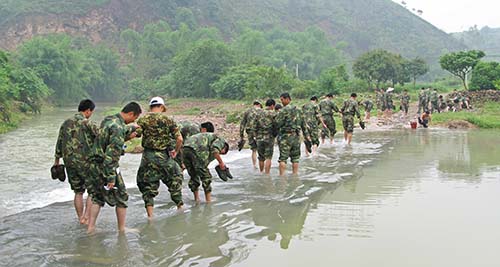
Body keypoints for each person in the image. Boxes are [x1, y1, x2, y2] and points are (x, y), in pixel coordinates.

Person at [87, 102, 142, 233]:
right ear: (130, 114)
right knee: (122, 196)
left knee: (97, 197)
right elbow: (111, 155)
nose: (133, 122)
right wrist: (111, 178)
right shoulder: (118, 128)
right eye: (134, 118)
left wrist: (129, 132)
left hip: (94, 164)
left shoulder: (109, 119)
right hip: (107, 165)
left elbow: (110, 135)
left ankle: (90, 228)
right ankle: (122, 229)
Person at [135, 97, 184, 219]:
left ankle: (150, 216)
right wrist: (175, 152)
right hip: (164, 156)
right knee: (175, 178)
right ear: (161, 107)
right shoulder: (168, 120)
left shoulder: (143, 119)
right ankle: (180, 207)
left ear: (151, 107)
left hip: (148, 157)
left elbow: (135, 134)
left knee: (147, 185)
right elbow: (180, 139)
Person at [54, 99, 98, 225]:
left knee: (78, 191)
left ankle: (80, 219)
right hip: (86, 162)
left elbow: (59, 142)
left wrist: (56, 161)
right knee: (92, 190)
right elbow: (101, 137)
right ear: (88, 110)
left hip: (69, 162)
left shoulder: (65, 123)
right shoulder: (87, 123)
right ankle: (86, 217)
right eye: (91, 112)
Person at [183, 132, 229, 203]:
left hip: (185, 148)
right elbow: (215, 150)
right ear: (224, 147)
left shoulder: (209, 140)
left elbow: (204, 162)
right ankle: (208, 201)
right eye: (222, 153)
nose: (220, 154)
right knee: (206, 177)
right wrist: (221, 163)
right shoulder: (221, 141)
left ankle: (197, 199)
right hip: (197, 148)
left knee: (193, 175)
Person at [275, 93, 310, 176]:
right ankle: (295, 176)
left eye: (282, 100)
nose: (282, 102)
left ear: (287, 99)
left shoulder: (284, 110)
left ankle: (282, 177)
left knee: (283, 158)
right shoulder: (299, 109)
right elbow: (304, 124)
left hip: (285, 137)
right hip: (297, 137)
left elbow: (277, 123)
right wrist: (307, 137)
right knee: (295, 158)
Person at [255, 99, 278, 174]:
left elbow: (254, 125)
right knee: (268, 157)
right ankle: (267, 174)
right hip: (269, 138)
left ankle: (261, 172)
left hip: (259, 138)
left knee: (261, 157)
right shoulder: (273, 113)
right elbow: (277, 125)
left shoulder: (258, 113)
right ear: (272, 105)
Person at [239, 101, 262, 168]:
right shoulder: (261, 111)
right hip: (259, 132)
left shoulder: (247, 111)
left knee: (254, 150)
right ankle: (262, 165)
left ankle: (255, 165)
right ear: (259, 104)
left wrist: (241, 135)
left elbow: (242, 124)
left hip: (250, 132)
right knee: (261, 149)